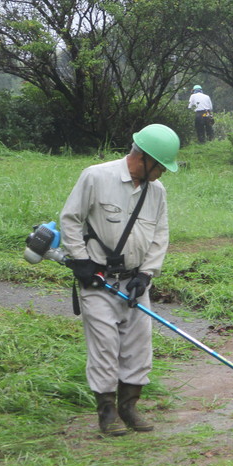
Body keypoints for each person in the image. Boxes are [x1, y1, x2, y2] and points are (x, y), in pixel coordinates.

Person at [60, 124, 180, 436]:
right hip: (98, 280)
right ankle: (107, 412)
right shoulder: (96, 176)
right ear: (144, 159)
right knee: (105, 346)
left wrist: (146, 273)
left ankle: (129, 407)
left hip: (134, 283)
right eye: (161, 167)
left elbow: (159, 236)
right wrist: (80, 260)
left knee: (138, 347)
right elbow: (70, 219)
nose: (163, 174)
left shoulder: (157, 193)